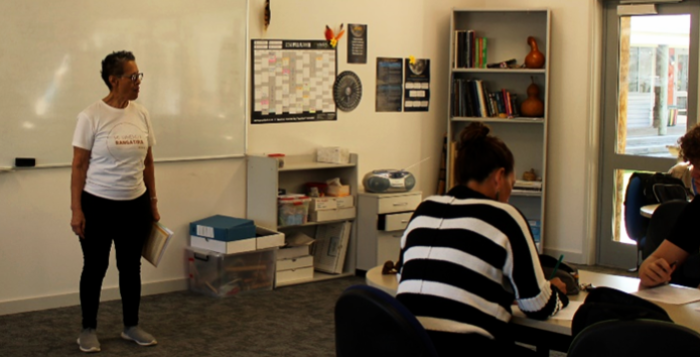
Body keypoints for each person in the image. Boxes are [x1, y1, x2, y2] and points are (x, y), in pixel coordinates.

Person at [395, 122, 569, 356]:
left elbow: (403, 276)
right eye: (511, 184)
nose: (509, 193)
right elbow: (538, 305)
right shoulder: (505, 217)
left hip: (410, 346)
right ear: (499, 177)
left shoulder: (424, 209)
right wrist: (557, 294)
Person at [70, 51, 159, 353]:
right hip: (97, 204)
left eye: (139, 76)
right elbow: (79, 165)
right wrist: (76, 210)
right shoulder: (90, 116)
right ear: (113, 80)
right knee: (95, 267)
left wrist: (154, 203)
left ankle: (131, 325)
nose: (138, 83)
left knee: (130, 267)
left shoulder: (141, 113)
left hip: (135, 204)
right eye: (132, 77)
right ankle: (88, 328)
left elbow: (148, 162)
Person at [640, 124, 700, 288]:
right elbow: (652, 261)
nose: (694, 173)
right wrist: (650, 270)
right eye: (693, 164)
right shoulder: (696, 210)